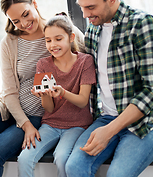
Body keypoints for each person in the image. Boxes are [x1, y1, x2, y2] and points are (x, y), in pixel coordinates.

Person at [0, 0, 85, 177]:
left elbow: (86, 58)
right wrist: (25, 124)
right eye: (16, 21)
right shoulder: (9, 42)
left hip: (39, 116)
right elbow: (10, 91)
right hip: (11, 110)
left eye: (26, 14)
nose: (24, 23)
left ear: (34, 4)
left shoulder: (59, 31)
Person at [65, 0, 153, 177]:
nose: (85, 14)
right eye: (82, 7)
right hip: (107, 117)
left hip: (147, 122)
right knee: (74, 167)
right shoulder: (93, 29)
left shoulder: (143, 24)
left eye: (91, 7)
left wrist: (110, 130)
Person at [17, 12, 96, 177]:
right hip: (50, 125)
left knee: (61, 158)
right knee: (24, 158)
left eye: (58, 39)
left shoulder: (85, 61)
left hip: (77, 125)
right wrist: (44, 95)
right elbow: (50, 109)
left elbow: (82, 101)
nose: (53, 45)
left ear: (71, 37)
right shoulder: (43, 64)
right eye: (48, 40)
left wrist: (62, 92)